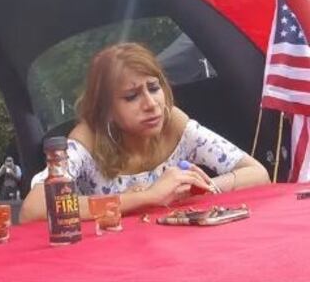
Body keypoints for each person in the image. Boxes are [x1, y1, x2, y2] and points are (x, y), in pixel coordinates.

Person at [19, 43, 270, 223]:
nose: (151, 104)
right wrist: (149, 197)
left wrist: (202, 187)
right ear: (107, 110)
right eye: (132, 96)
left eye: (154, 87)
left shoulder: (175, 124)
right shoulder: (86, 141)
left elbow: (258, 173)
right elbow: (33, 209)